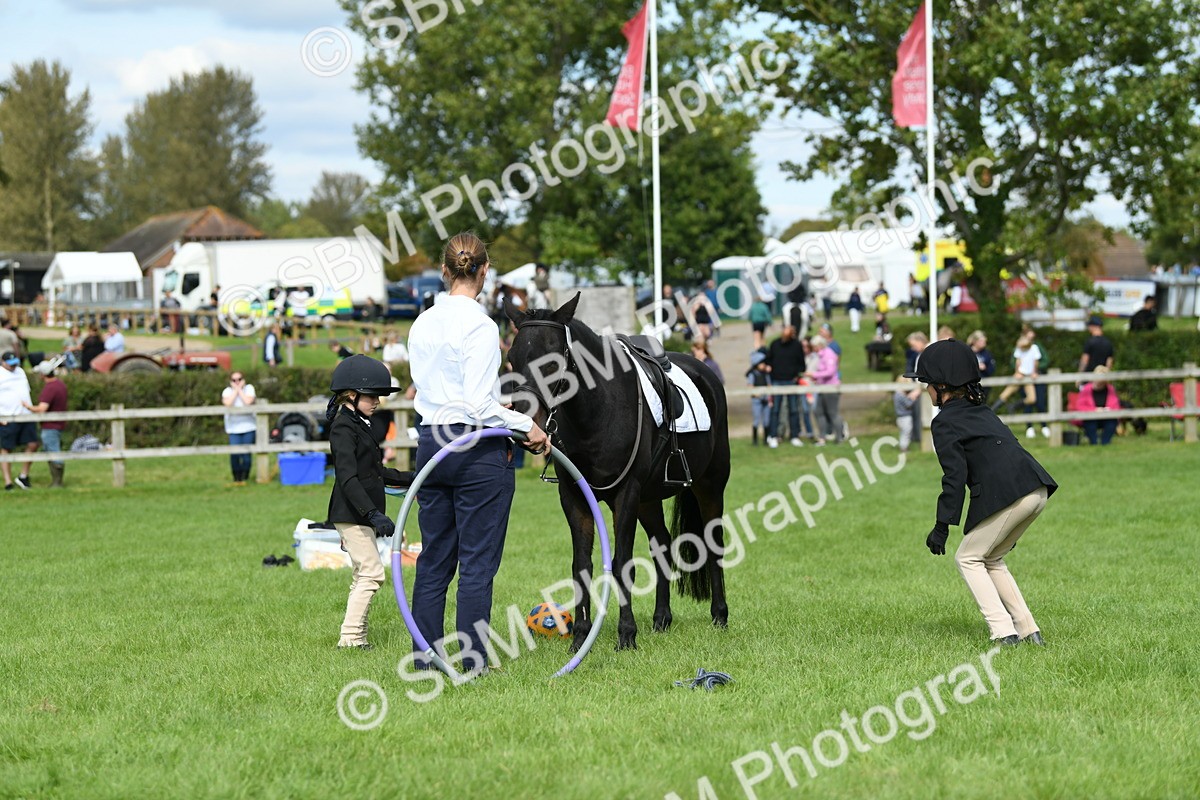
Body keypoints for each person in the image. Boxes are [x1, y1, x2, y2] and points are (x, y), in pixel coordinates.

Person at [408, 232, 550, 674]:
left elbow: (446, 394)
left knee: (434, 558)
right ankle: (473, 661)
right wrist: (525, 424)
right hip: (476, 450)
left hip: (433, 443)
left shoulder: (422, 321)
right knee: (476, 563)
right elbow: (476, 404)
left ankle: (427, 657)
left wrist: (495, 407)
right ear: (484, 272)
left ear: (445, 270)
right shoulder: (482, 326)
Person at [905, 339, 1057, 646]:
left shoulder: (945, 422)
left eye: (927, 384)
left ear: (942, 386)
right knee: (992, 558)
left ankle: (1003, 632)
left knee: (968, 558)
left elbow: (954, 476)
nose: (925, 390)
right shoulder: (982, 411)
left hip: (1010, 494)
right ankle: (1029, 630)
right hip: (1035, 487)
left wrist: (941, 525)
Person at [325, 355, 415, 650]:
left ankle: (356, 637)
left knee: (363, 574)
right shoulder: (343, 428)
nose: (377, 401)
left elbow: (377, 473)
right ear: (352, 395)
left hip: (361, 513)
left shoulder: (360, 424)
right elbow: (348, 479)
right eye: (372, 395)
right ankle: (350, 638)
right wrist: (374, 513)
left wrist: (414, 478)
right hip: (351, 512)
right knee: (373, 574)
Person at [992, 331, 1046, 439]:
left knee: (1032, 399)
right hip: (1020, 375)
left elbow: (1036, 362)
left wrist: (1034, 372)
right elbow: (1018, 361)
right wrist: (1017, 372)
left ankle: (1014, 406)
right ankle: (992, 411)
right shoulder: (1019, 347)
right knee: (1006, 393)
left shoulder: (1034, 348)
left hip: (1028, 376)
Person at [23, 356, 68, 487]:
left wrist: (28, 407)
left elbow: (42, 408)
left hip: (50, 425)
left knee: (53, 451)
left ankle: (57, 482)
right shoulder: (60, 385)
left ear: (43, 374)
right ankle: (56, 481)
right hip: (59, 423)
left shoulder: (50, 388)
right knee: (53, 450)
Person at [763, 325, 806, 448]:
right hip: (777, 381)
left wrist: (796, 375)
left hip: (791, 381)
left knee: (793, 409)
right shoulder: (775, 344)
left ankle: (794, 435)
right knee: (775, 410)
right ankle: (773, 436)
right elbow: (768, 360)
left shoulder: (797, 345)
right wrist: (769, 369)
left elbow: (801, 364)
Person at [0, 351, 37, 490]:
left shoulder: (20, 371)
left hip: (26, 415)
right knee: (6, 449)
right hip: (7, 417)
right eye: (10, 364)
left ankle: (23, 476)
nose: (13, 366)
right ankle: (8, 482)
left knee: (33, 444)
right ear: (2, 362)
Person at [805, 334, 845, 445]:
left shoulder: (829, 355)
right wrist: (816, 378)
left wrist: (815, 374)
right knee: (818, 412)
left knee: (832, 413)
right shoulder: (819, 356)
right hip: (822, 388)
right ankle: (822, 438)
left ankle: (840, 436)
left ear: (819, 345)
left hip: (831, 388)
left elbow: (830, 372)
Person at [221, 371, 257, 485]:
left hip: (249, 427)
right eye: (234, 380)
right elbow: (228, 403)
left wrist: (240, 390)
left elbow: (248, 402)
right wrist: (236, 390)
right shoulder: (227, 391)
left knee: (246, 455)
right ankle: (237, 478)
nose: (237, 382)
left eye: (239, 379)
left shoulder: (249, 389)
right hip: (233, 428)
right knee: (234, 454)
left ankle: (245, 477)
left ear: (244, 380)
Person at [1075, 365, 1121, 445]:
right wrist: (1095, 410)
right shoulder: (1086, 389)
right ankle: (1094, 443)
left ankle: (1105, 443)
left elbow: (1116, 406)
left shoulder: (1111, 389)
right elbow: (1080, 407)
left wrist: (1107, 410)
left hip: (1106, 417)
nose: (1099, 383)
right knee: (1090, 422)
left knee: (1112, 422)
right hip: (1090, 417)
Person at [746, 348, 771, 446]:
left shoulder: (765, 374)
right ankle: (755, 440)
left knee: (766, 420)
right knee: (756, 420)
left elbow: (769, 385)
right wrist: (758, 394)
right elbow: (750, 387)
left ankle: (765, 439)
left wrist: (768, 395)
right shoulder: (752, 375)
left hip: (766, 400)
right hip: (757, 400)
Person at [894, 376, 922, 453]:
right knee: (906, 433)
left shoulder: (897, 394)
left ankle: (903, 446)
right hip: (904, 417)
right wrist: (913, 398)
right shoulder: (900, 395)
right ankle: (904, 448)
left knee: (904, 433)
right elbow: (908, 404)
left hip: (901, 418)